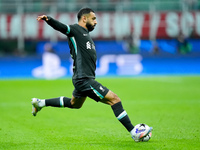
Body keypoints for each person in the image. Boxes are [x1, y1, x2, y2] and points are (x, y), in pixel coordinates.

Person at [32, 7, 152, 142]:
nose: (96, 22)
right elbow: (62, 27)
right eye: (93, 18)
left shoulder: (85, 35)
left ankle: (40, 103)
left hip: (81, 78)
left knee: (75, 104)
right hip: (84, 79)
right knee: (115, 99)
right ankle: (134, 132)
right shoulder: (76, 30)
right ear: (84, 18)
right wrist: (48, 19)